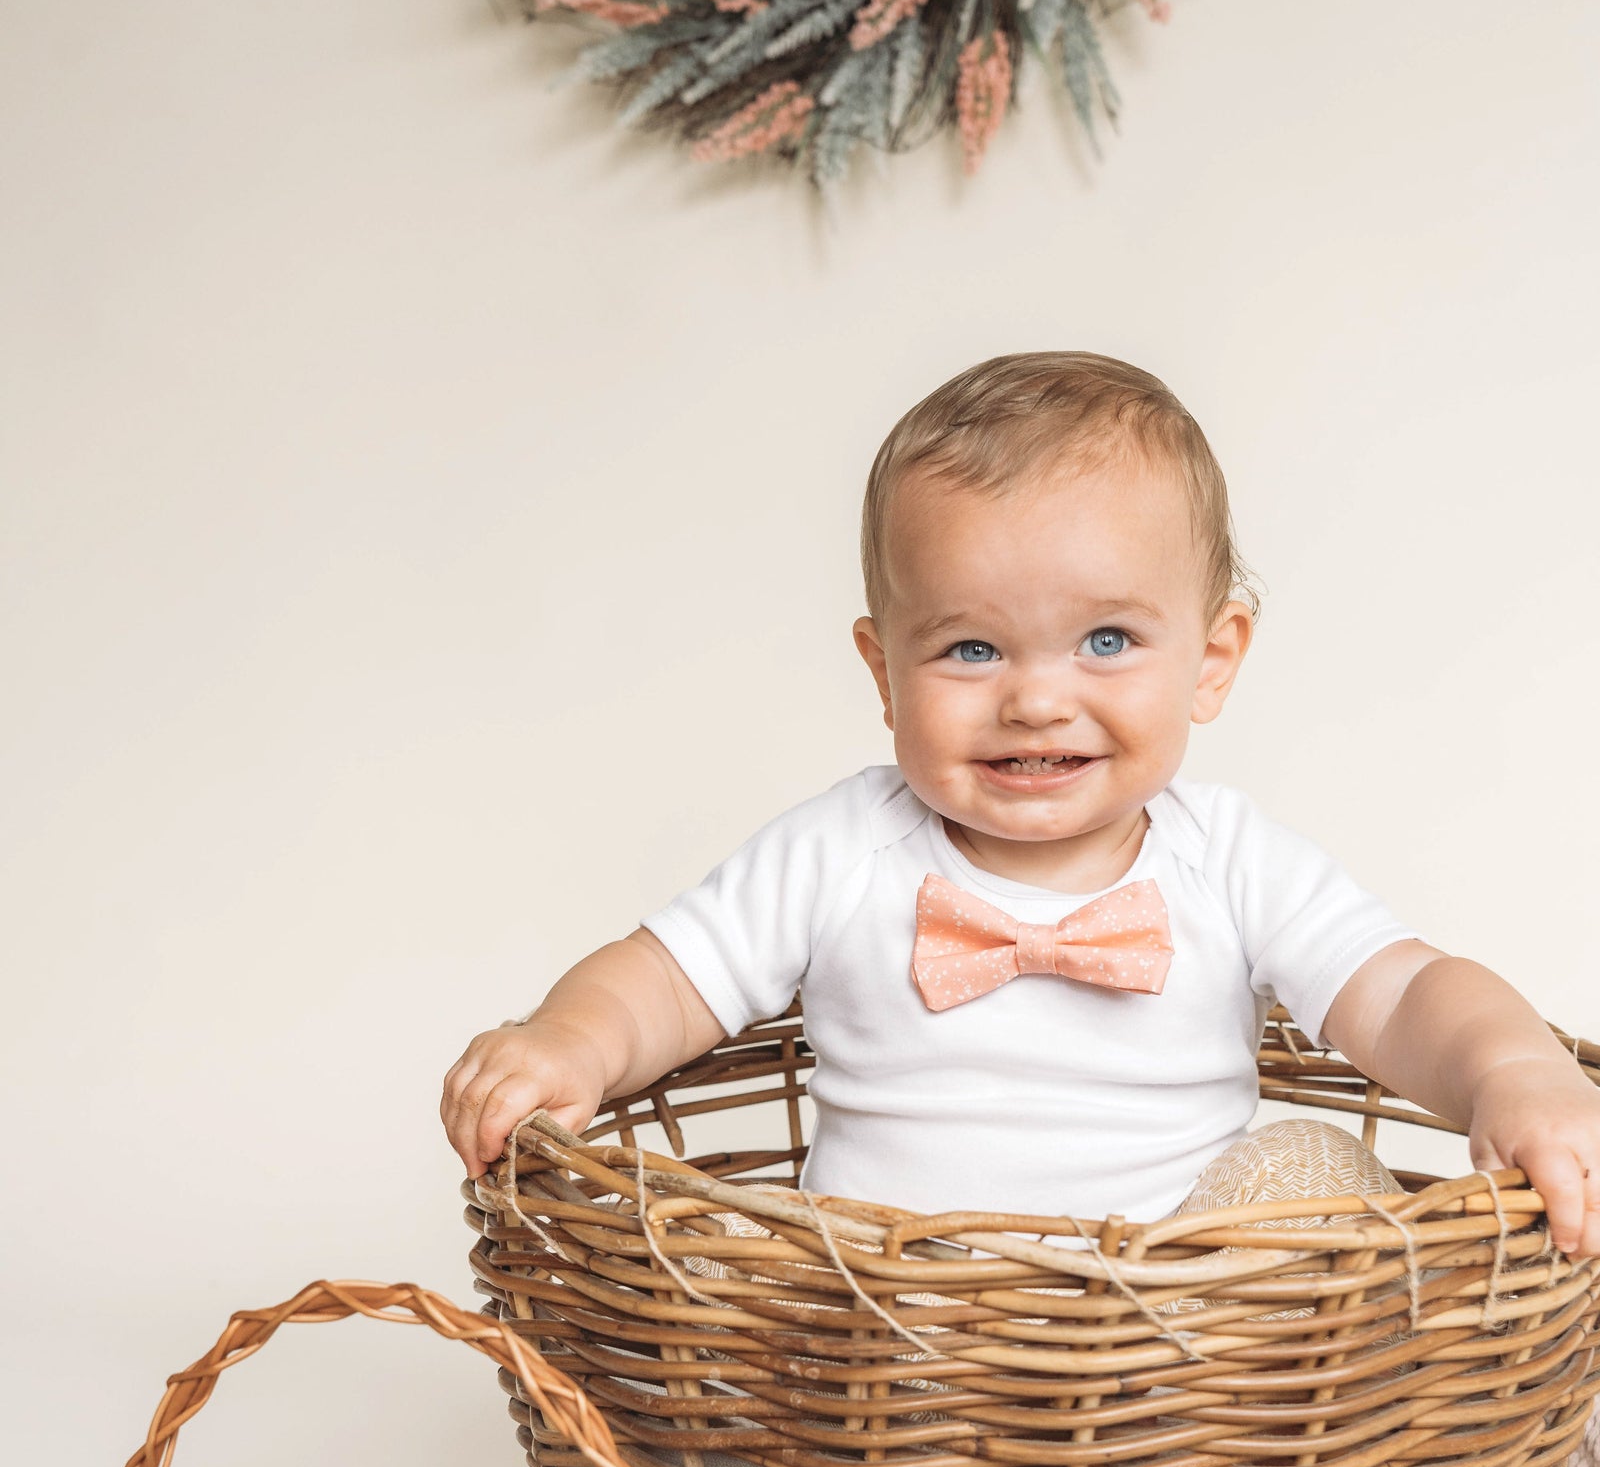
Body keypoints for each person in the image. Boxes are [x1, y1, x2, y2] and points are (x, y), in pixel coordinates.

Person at [442, 353, 1600, 1255]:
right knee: (716, 1261)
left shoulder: (1229, 859)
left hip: (1180, 1334)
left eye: (1106, 640)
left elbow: (1402, 995)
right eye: (970, 647)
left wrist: (1513, 1071)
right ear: (882, 669)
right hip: (890, 1318)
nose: (1037, 700)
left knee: (1311, 1177)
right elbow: (663, 977)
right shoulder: (841, 848)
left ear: (1210, 658)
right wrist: (569, 1043)